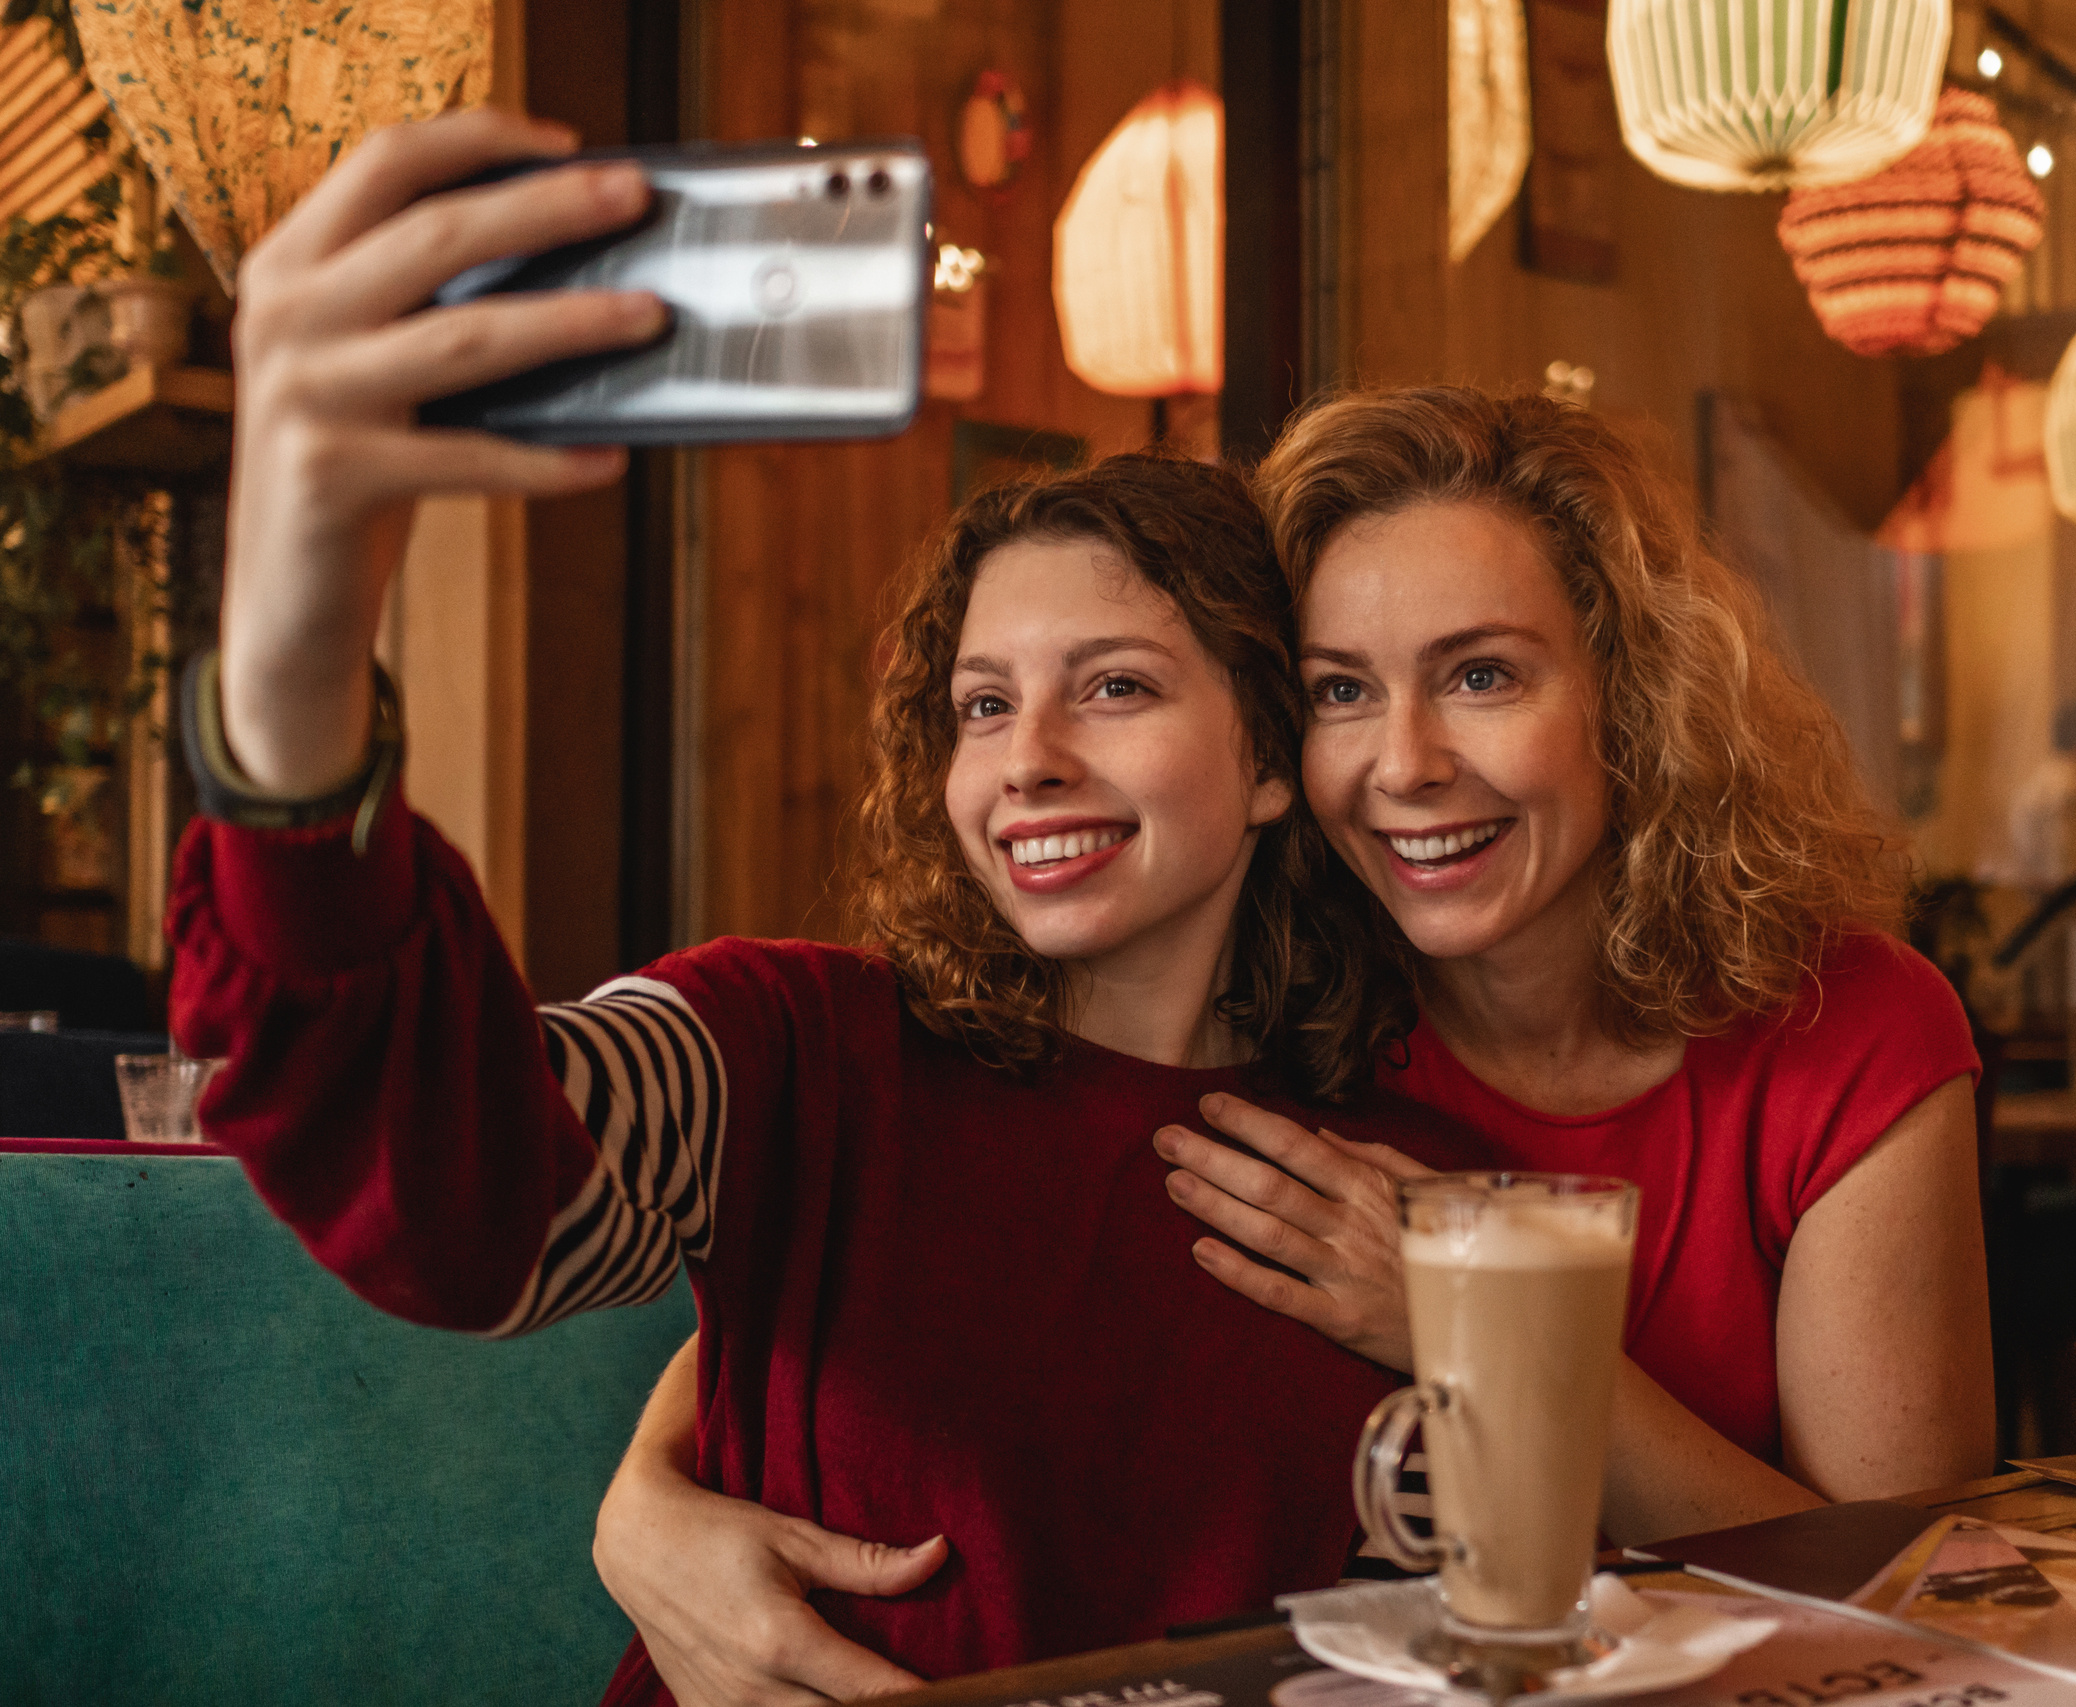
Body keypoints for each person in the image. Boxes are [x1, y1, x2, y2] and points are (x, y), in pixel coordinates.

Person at [172, 109, 1486, 1707]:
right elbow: (462, 1203)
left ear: (1276, 755)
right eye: (982, 706)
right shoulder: (789, 1049)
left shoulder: (1408, 1193)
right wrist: (295, 667)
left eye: (1116, 688)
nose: (1028, 765)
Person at [593, 387, 1996, 1702]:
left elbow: (1910, 1590)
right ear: (1275, 743)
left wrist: (1455, 1321)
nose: (1405, 763)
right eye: (1338, 691)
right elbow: (919, 1262)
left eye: (1485, 675)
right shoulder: (1294, 1033)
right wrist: (641, 1500)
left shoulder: (1844, 1026)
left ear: (1627, 700)